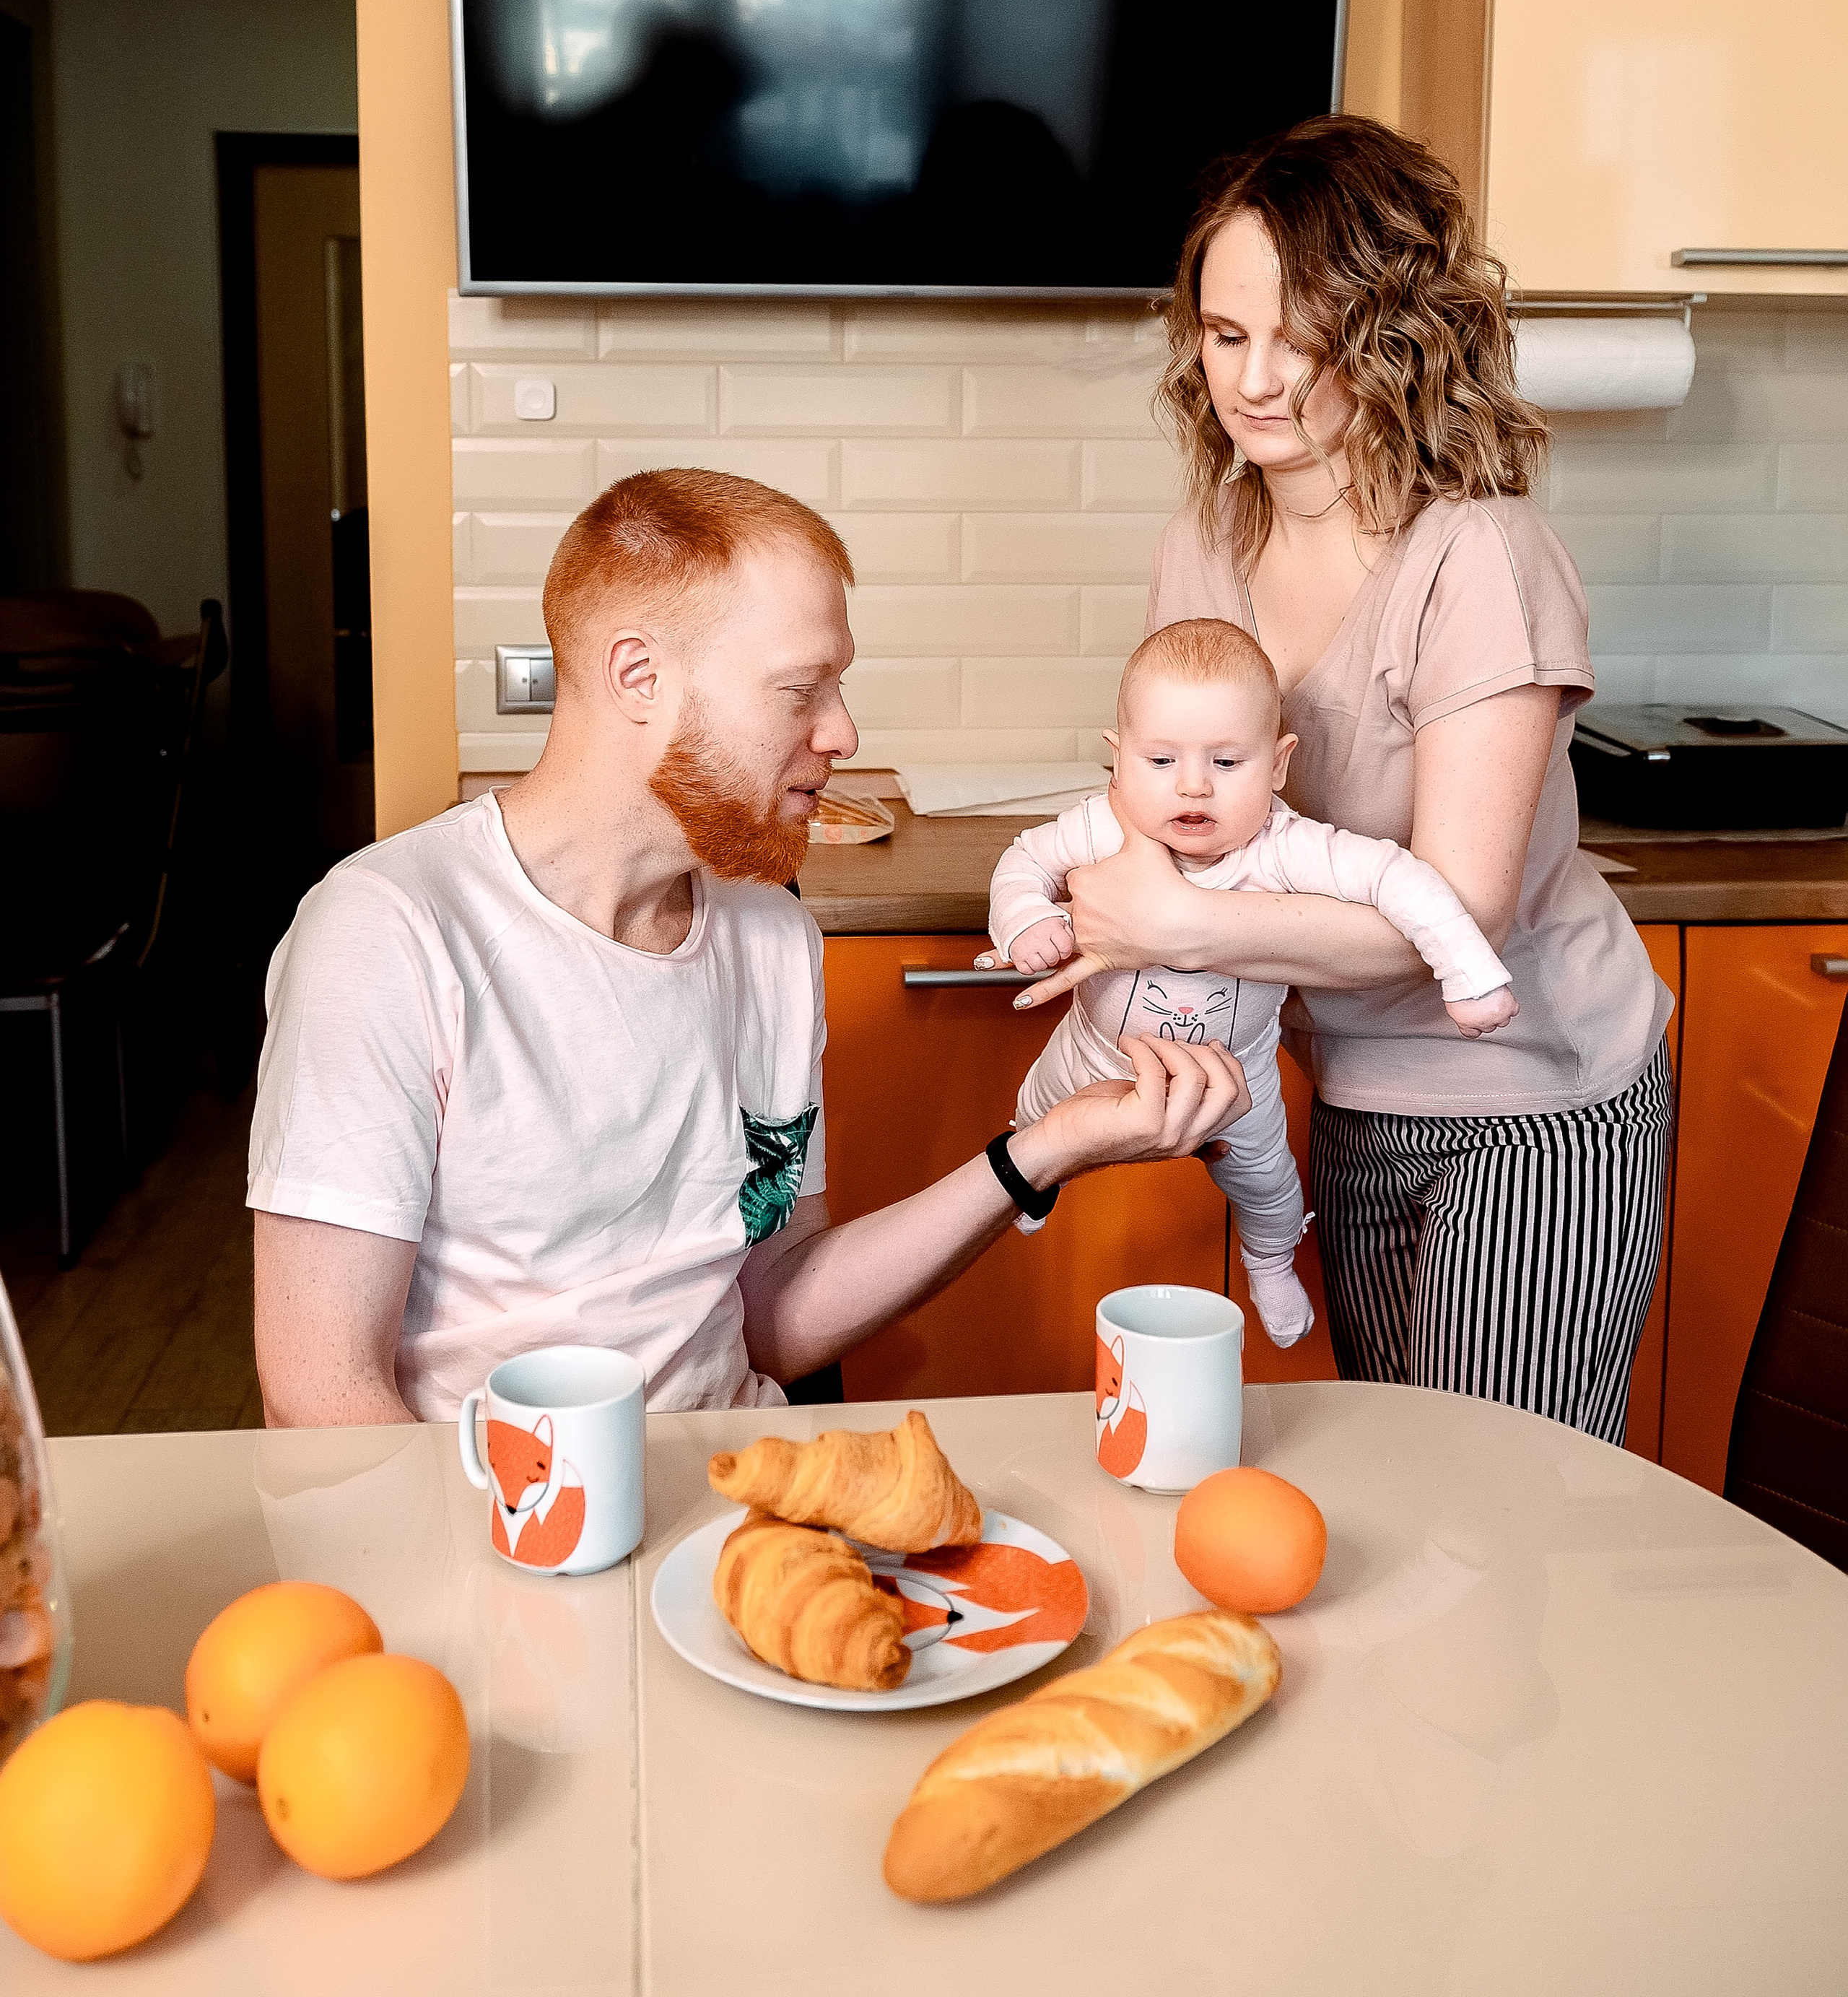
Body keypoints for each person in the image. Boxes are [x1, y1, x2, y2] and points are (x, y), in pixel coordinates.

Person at [250, 469, 1247, 1424]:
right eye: (801, 689)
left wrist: (1052, 1145)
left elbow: (769, 1311)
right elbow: (319, 1392)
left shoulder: (769, 931)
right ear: (639, 675)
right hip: (507, 1530)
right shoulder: (388, 932)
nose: (845, 731)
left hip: (735, 1494)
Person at [1045, 116, 1673, 1444]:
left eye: (1302, 335)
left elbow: (1468, 914)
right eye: (1225, 336)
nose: (1256, 378)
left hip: (1533, 1110)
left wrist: (1175, 923)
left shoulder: (1480, 556)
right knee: (1408, 1475)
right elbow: (1186, 813)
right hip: (1344, 1095)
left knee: (1493, 1510)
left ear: (1391, 328)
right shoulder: (1204, 546)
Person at [985, 615, 1517, 1351]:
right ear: (1119, 758)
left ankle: (1268, 1259)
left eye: (1228, 762)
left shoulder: (1286, 846)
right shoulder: (1104, 823)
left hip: (1237, 1076)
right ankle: (1027, 1185)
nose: (1193, 784)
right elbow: (1021, 861)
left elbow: (1399, 879)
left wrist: (1469, 973)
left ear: (1277, 763)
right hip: (1093, 1055)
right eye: (1161, 759)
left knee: (1267, 1181)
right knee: (1037, 1121)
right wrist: (1022, 922)